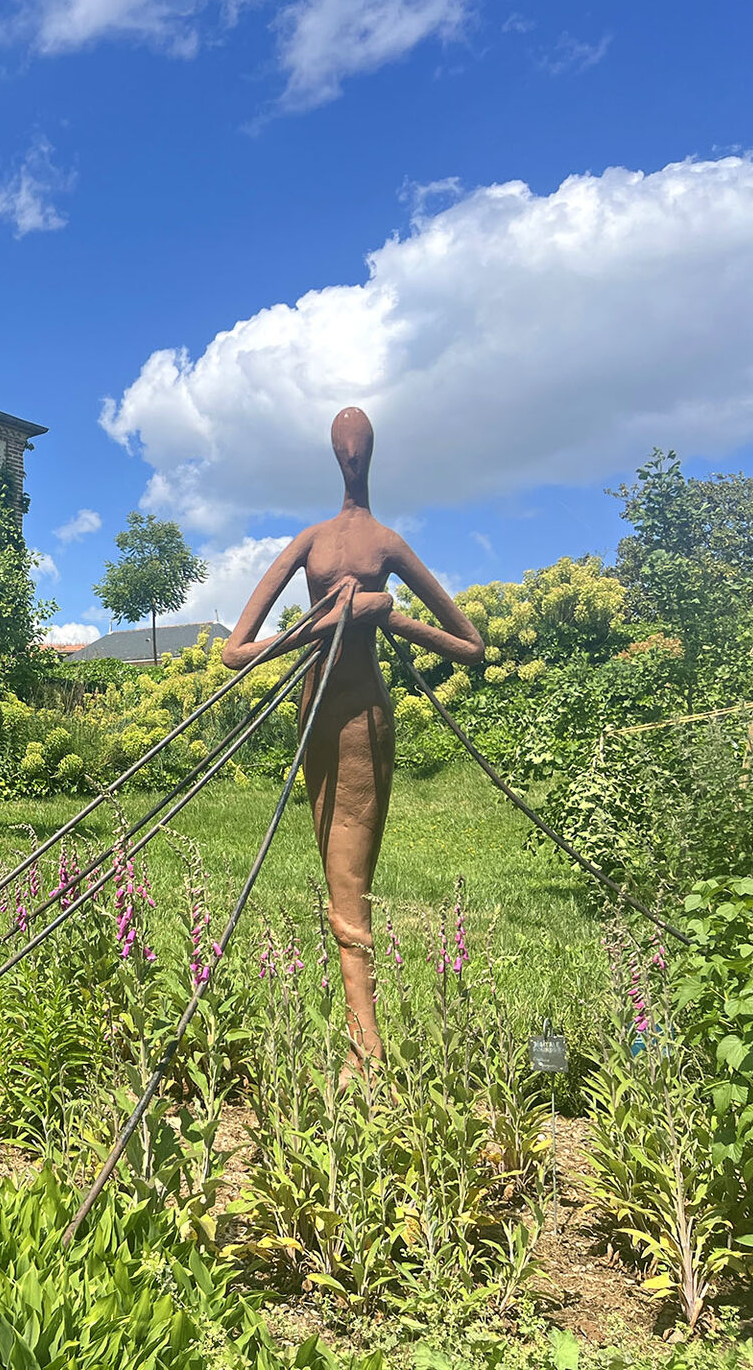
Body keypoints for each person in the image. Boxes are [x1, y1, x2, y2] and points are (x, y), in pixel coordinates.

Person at [219, 407, 483, 1061]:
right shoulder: (309, 542)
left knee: (350, 873)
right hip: (317, 710)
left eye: (359, 446)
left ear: (369, 452)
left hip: (365, 714)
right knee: (335, 866)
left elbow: (469, 645)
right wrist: (326, 619)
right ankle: (362, 1038)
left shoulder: (387, 543)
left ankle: (365, 1044)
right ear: (335, 454)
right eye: (345, 447)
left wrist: (388, 615)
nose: (353, 457)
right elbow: (235, 652)